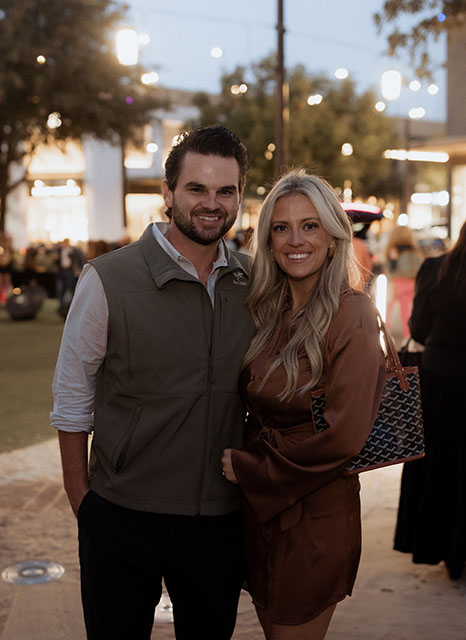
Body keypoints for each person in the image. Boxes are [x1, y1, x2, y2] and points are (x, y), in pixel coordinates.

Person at [50, 125, 255, 640]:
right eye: (196, 188)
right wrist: (83, 503)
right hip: (121, 516)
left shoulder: (256, 283)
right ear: (168, 192)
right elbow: (72, 396)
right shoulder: (108, 278)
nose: (212, 204)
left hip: (218, 519)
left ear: (239, 196)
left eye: (225, 191)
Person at [221, 170, 386, 639]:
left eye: (310, 226)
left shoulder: (352, 313)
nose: (296, 240)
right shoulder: (271, 312)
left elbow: (344, 437)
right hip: (261, 512)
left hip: (313, 516)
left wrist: (250, 468)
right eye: (282, 227)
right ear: (269, 240)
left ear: (333, 238)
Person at [394, 220, 466, 581]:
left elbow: (419, 328)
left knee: (440, 465)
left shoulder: (436, 269)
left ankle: (442, 547)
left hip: (439, 381)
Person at [385, 224, 423, 340]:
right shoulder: (415, 251)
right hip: (411, 284)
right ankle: (408, 336)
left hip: (397, 283)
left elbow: (391, 269)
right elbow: (419, 269)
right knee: (406, 311)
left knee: (387, 308)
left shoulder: (393, 250)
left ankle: (385, 330)